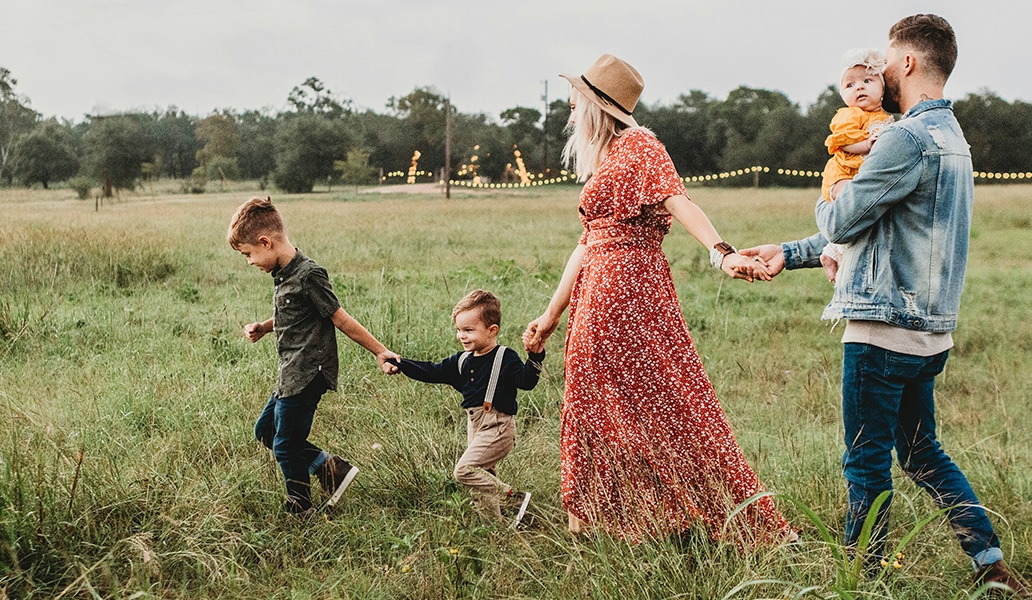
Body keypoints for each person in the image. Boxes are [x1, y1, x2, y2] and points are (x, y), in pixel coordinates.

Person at [740, 14, 1029, 595]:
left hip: (882, 329)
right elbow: (879, 227)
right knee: (923, 453)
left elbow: (844, 217)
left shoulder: (902, 137)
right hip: (930, 334)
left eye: (887, 62)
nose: (880, 72)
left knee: (865, 461)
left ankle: (860, 578)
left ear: (910, 63)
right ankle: (990, 563)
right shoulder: (953, 138)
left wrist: (834, 194)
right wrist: (791, 253)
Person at [521, 54, 791, 545]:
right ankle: (602, 518)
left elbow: (678, 199)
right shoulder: (606, 157)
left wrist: (721, 252)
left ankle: (697, 514)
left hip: (629, 290)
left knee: (666, 402)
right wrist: (551, 314)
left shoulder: (640, 145)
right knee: (595, 400)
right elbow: (586, 242)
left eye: (575, 99)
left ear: (597, 105)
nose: (568, 107)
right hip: (597, 291)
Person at [228, 196, 400, 515]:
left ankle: (301, 507)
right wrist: (265, 327)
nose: (249, 261)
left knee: (285, 445)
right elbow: (293, 316)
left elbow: (340, 318)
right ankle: (331, 470)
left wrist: (381, 351)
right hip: (290, 372)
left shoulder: (309, 274)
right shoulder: (283, 274)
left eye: (248, 254)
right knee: (265, 431)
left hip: (308, 372)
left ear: (265, 242)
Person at [388, 290, 544, 527]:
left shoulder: (505, 357)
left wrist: (535, 356)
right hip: (475, 426)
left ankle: (514, 498)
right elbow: (431, 371)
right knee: (482, 482)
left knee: (465, 471)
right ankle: (495, 530)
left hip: (499, 427)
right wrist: (401, 364)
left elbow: (527, 382)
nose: (462, 335)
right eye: (459, 330)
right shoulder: (461, 361)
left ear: (492, 331)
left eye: (469, 330)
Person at [818, 48, 894, 280]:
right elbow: (842, 141)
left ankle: (831, 252)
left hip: (859, 175)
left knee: (863, 213)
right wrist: (866, 144)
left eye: (867, 81)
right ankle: (835, 254)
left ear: (883, 88)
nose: (858, 87)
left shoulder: (884, 118)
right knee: (851, 207)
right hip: (842, 174)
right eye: (849, 85)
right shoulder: (850, 114)